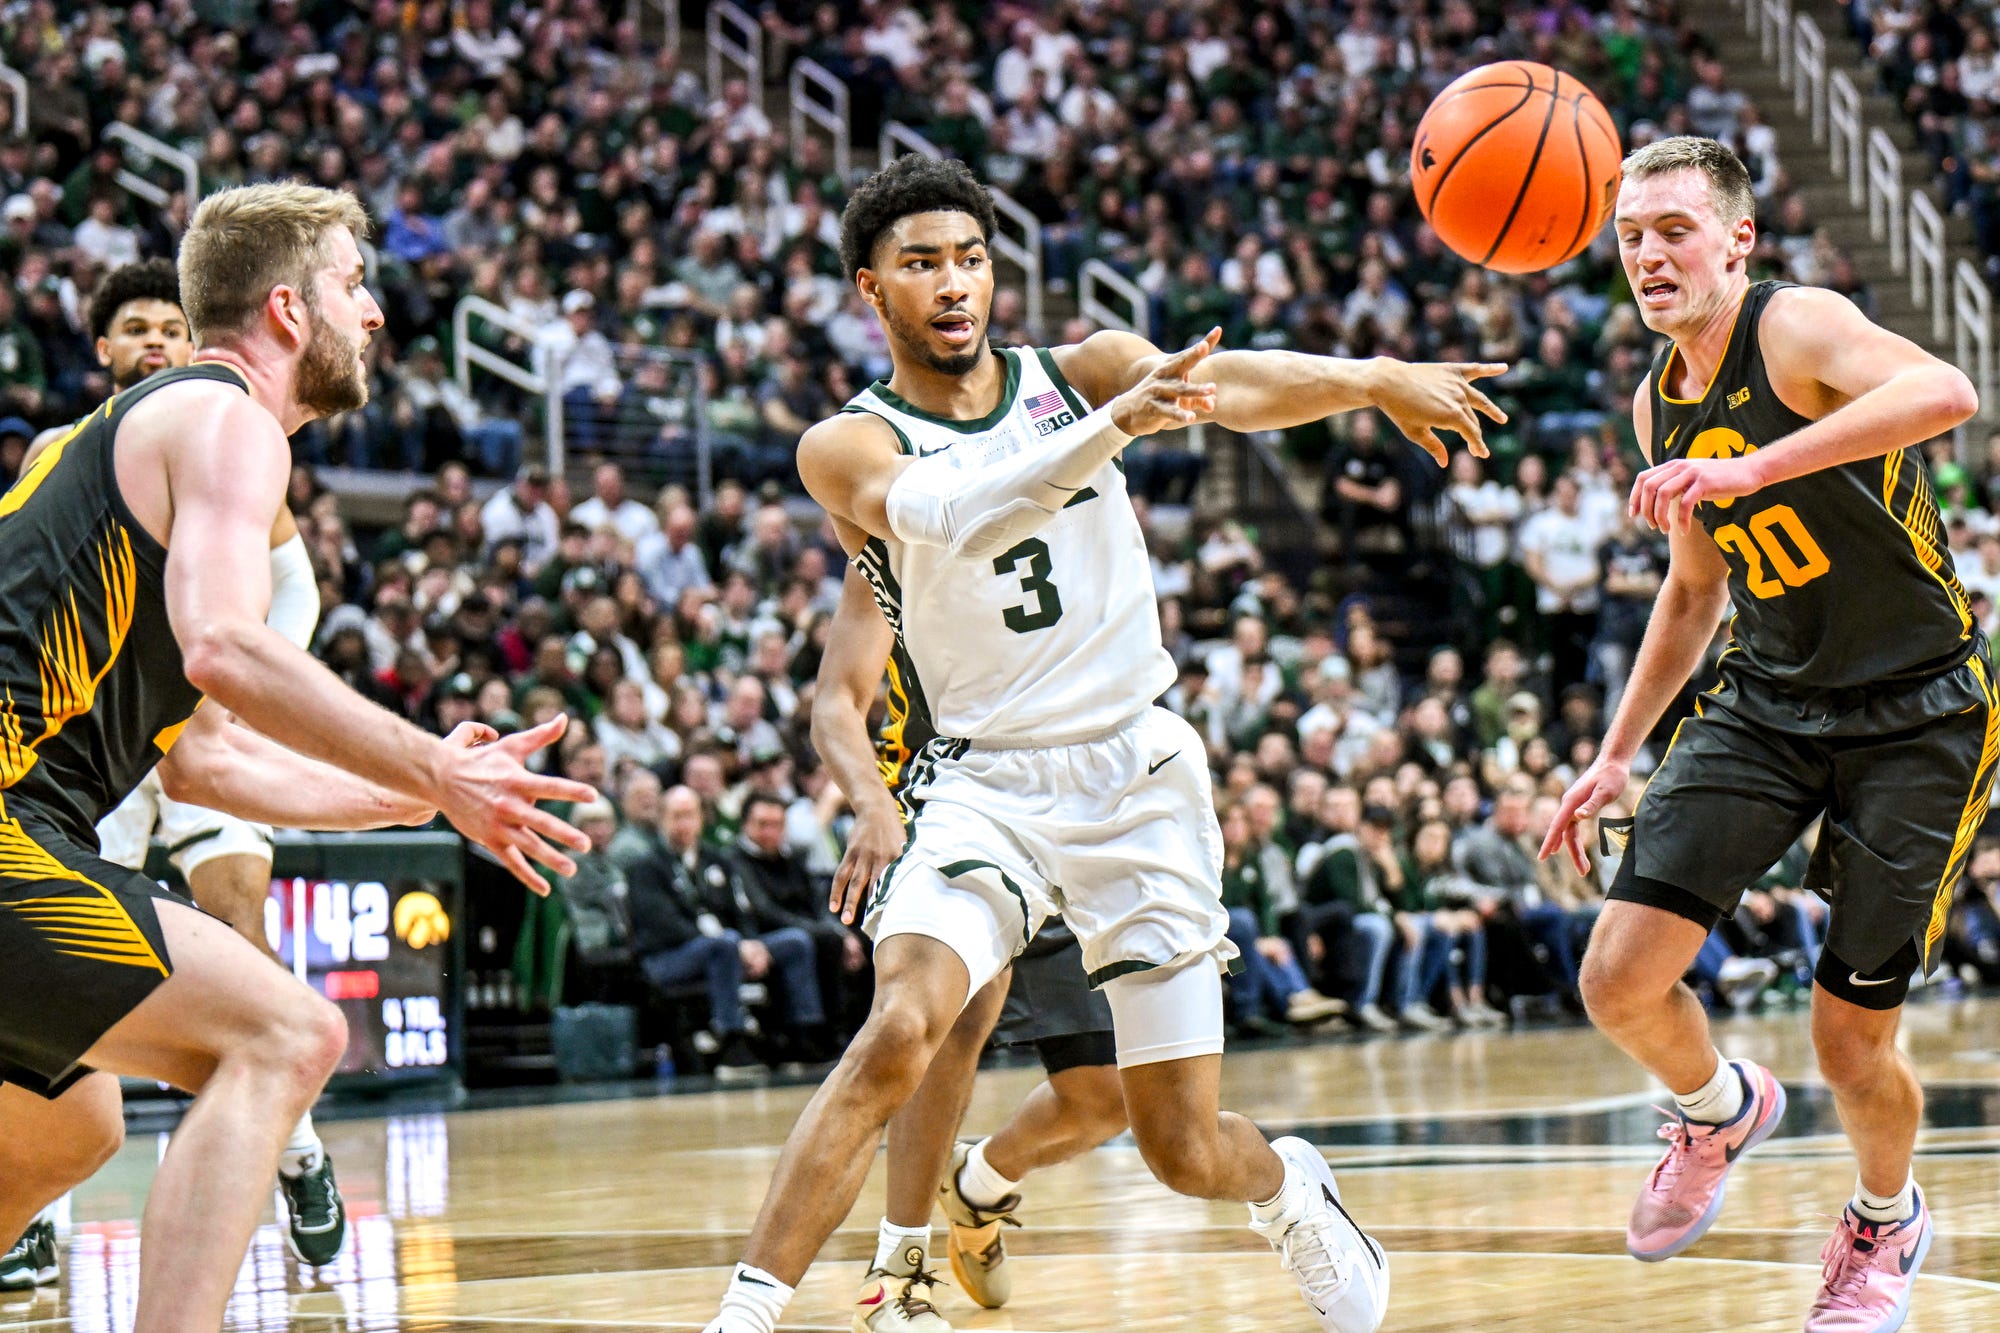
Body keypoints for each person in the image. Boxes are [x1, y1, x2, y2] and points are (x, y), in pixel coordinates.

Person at [701, 153, 1505, 1333]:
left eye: (969, 258)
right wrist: (1113, 429)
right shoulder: (847, 443)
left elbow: (1224, 382)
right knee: (907, 1024)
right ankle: (762, 1310)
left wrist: (1372, 377)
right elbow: (953, 514)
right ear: (870, 290)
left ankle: (1288, 1190)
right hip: (981, 780)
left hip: (1134, 773)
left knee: (1175, 1143)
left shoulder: (1078, 370)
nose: (952, 283)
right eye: (919, 264)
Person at [0, 182, 594, 1333]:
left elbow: (204, 764)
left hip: (32, 827)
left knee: (72, 1126)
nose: (372, 314)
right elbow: (225, 647)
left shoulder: (151, 434)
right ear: (286, 307)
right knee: (288, 1031)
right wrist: (435, 761)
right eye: (353, 285)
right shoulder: (223, 417)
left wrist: (418, 797)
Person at [1542, 137, 1986, 1332]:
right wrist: (1612, 751)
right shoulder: (1655, 400)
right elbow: (1693, 592)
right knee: (1617, 976)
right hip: (1767, 699)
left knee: (1848, 1041)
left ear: (1736, 239)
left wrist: (1750, 467)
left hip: (1920, 711)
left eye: (1672, 229)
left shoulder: (1794, 328)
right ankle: (1712, 1107)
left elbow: (1946, 392)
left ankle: (1883, 1222)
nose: (1646, 254)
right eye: (1629, 234)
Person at [8, 257, 349, 1276]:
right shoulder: (73, 449)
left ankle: (299, 1153)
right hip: (75, 748)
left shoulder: (230, 439)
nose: (155, 341)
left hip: (189, 724)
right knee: (76, 1010)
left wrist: (244, 684)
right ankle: (35, 1211)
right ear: (102, 347)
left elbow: (294, 594)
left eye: (171, 325)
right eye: (135, 329)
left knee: (238, 930)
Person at [816, 567, 1133, 1331]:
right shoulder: (900, 537)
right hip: (951, 810)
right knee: (942, 1029)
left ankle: (982, 1182)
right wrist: (868, 803)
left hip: (1065, 811)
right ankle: (898, 1272)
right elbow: (837, 700)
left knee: (1109, 1095)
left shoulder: (1057, 505)